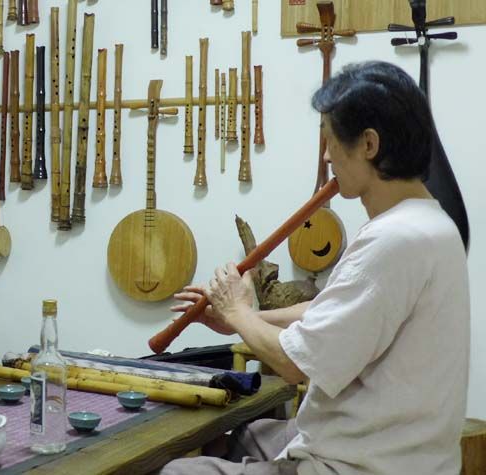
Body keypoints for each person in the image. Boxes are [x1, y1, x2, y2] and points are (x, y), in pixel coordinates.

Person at [163, 61, 469, 475]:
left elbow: (294, 365)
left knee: (176, 472)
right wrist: (247, 318)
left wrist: (236, 312)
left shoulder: (394, 239)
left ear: (369, 144)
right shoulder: (431, 223)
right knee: (242, 435)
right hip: (400, 452)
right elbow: (331, 314)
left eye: (330, 140)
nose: (326, 156)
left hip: (363, 466)